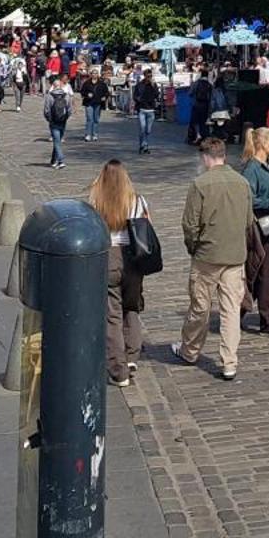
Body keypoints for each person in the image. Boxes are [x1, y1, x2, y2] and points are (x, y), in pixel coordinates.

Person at [176, 137, 252, 380]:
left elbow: (190, 224)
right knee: (230, 310)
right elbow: (249, 221)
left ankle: (190, 350)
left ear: (206, 157)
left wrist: (193, 247)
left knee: (200, 306)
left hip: (207, 255)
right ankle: (229, 361)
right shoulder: (242, 183)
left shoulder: (200, 184)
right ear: (224, 156)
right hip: (234, 255)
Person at [89, 160, 151, 387]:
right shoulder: (137, 200)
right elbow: (147, 227)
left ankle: (118, 370)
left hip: (109, 256)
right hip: (134, 258)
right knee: (132, 306)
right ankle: (132, 356)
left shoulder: (97, 201)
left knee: (111, 313)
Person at [239, 127, 269, 337]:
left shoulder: (265, 165)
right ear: (261, 144)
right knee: (264, 273)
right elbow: (249, 199)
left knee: (262, 271)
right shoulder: (252, 169)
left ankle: (238, 311)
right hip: (260, 227)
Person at [44, 78, 74, 168]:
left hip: (53, 121)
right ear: (61, 86)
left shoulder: (49, 96)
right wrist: (65, 118)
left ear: (53, 86)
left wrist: (49, 119)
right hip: (63, 121)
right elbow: (69, 109)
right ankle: (54, 160)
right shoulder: (66, 96)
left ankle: (60, 160)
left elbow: (46, 110)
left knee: (56, 142)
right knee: (58, 141)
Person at [134, 71, 160, 154]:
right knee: (142, 128)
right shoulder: (140, 85)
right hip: (142, 109)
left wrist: (153, 86)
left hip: (151, 110)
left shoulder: (153, 85)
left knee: (148, 130)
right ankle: (144, 146)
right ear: (144, 76)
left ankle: (145, 144)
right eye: (148, 76)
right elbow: (135, 95)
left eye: (150, 76)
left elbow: (157, 95)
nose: (149, 77)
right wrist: (139, 100)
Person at [188, 71, 214, 146]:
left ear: (201, 75)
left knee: (194, 121)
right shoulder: (210, 85)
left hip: (196, 104)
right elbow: (212, 97)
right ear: (208, 76)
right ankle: (205, 138)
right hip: (206, 106)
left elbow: (190, 93)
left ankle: (197, 135)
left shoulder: (196, 83)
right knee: (204, 122)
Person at [81, 70, 107, 141]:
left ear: (98, 75)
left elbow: (106, 92)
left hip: (98, 103)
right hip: (89, 103)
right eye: (93, 73)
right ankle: (88, 134)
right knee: (89, 119)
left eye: (96, 73)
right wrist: (87, 95)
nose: (94, 75)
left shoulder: (102, 84)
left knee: (96, 119)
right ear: (91, 74)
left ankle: (95, 134)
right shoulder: (87, 83)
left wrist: (104, 97)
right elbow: (82, 92)